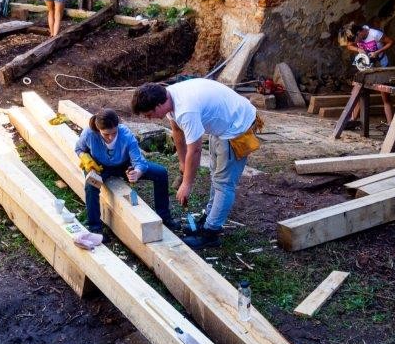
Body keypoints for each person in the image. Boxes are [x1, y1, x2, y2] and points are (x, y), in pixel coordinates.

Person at [131, 79, 261, 249]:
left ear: (159, 105)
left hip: (237, 127)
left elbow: (195, 150)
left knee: (224, 183)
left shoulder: (186, 110)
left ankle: (211, 233)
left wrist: (187, 184)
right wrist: (182, 163)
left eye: (149, 115)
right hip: (223, 125)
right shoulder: (169, 97)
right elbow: (177, 131)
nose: (149, 119)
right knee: (215, 175)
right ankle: (209, 219)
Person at [75, 109, 176, 239]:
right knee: (91, 186)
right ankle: (95, 228)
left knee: (160, 173)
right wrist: (86, 158)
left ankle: (164, 217)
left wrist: (137, 172)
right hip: (99, 167)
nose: (111, 137)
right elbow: (79, 149)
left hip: (123, 165)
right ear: (98, 130)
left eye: (114, 133)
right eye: (106, 134)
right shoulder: (89, 133)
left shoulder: (126, 135)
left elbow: (139, 161)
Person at [347, 24, 395, 125]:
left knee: (384, 94)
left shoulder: (375, 34)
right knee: (358, 90)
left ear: (359, 33)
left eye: (356, 39)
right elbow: (349, 45)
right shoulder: (355, 36)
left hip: (380, 64)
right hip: (366, 65)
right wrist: (358, 49)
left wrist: (377, 52)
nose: (356, 41)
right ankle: (352, 120)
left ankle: (391, 124)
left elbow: (391, 42)